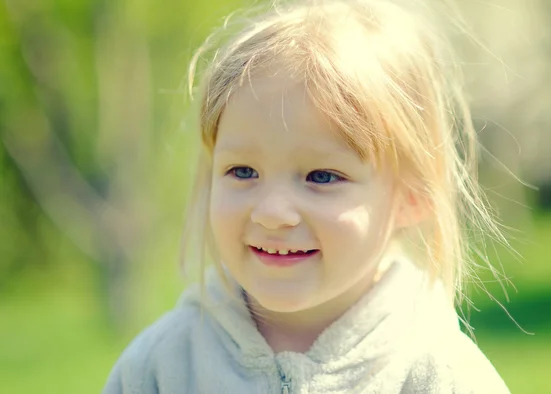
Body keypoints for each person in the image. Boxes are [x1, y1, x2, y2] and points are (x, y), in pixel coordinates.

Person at [103, 0, 511, 392]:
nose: (272, 213)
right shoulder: (161, 368)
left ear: (413, 195)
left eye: (322, 176)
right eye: (242, 171)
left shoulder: (439, 374)